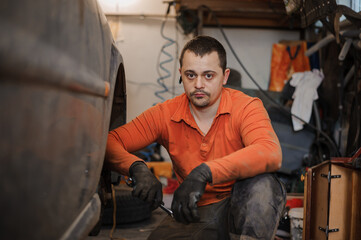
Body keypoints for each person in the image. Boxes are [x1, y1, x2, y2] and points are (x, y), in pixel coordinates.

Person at [105, 35, 286, 240]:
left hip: (243, 205)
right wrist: (136, 168)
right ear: (181, 73)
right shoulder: (165, 113)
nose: (198, 84)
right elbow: (109, 141)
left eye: (208, 76)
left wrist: (205, 172)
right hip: (199, 211)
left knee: (262, 186)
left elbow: (270, 152)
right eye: (191, 75)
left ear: (224, 77)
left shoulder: (246, 107)